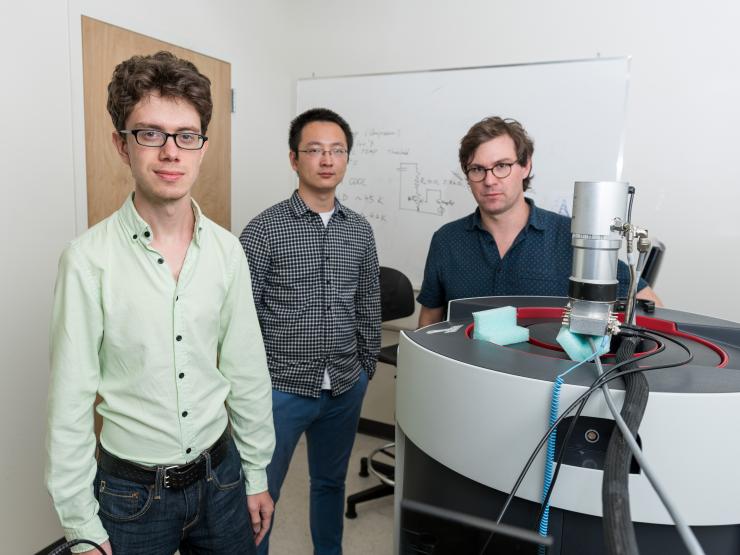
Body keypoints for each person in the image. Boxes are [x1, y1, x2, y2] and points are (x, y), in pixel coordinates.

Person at [45, 51, 275, 555]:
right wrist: (81, 525)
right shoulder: (87, 261)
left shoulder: (226, 250)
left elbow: (247, 370)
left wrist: (256, 472)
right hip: (132, 496)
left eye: (185, 135)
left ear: (202, 147)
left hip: (223, 478)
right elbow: (69, 403)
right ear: (122, 145)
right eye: (150, 133)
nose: (171, 151)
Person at [240, 107, 381, 555]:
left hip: (343, 384)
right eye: (314, 149)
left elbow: (368, 303)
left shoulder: (358, 229)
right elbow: (240, 314)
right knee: (260, 495)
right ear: (293, 158)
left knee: (329, 484)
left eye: (336, 150)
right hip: (280, 388)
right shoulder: (264, 229)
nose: (326, 159)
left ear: (346, 160)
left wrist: (366, 365)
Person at [417, 116, 661, 328]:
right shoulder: (447, 240)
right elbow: (429, 319)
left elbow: (648, 303)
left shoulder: (572, 238)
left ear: (525, 166)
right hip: (463, 374)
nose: (489, 180)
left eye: (502, 166)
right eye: (477, 169)